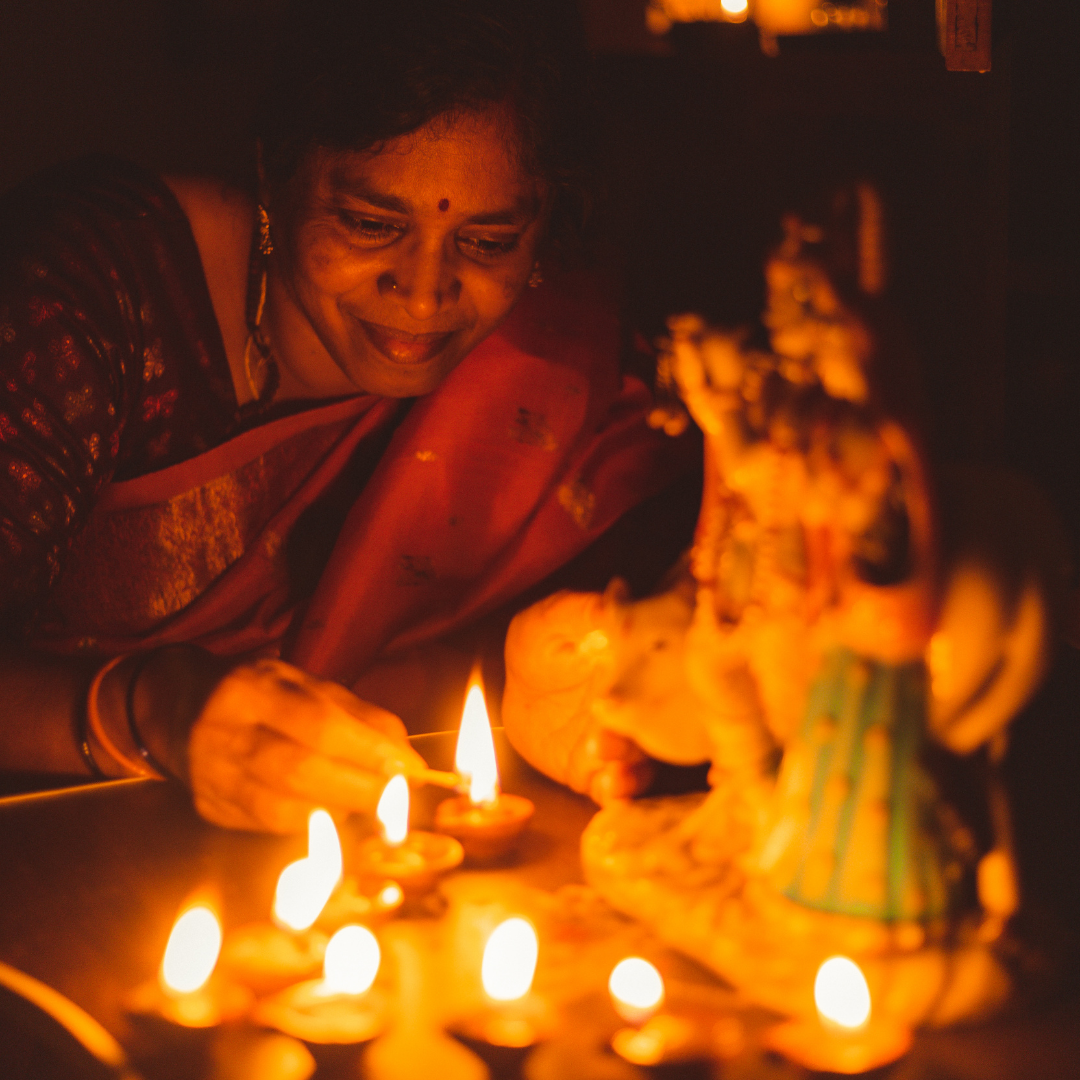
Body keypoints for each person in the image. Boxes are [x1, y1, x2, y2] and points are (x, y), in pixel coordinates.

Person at [0, 0, 693, 830]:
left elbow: (422, 666)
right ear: (274, 171)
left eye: (487, 242)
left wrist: (522, 691)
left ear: (542, 233)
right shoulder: (90, 297)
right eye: (371, 225)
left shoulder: (549, 368)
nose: (426, 289)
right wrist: (145, 712)